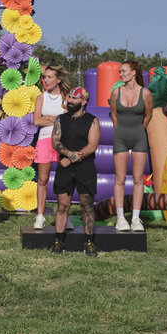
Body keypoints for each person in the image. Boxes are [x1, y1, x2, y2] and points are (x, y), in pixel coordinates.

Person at [50, 87, 101, 257]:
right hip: (65, 167)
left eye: (74, 98)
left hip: (85, 167)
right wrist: (67, 154)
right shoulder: (60, 119)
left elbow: (92, 146)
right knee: (63, 205)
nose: (70, 101)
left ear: (84, 101)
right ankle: (58, 241)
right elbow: (55, 141)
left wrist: (71, 158)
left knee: (86, 205)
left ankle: (89, 242)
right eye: (69, 97)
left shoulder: (92, 121)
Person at [110, 60, 153, 232]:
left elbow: (148, 116)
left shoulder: (145, 94)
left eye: (124, 71)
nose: (121, 75)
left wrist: (138, 131)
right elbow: (113, 115)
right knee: (119, 179)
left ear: (134, 72)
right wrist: (120, 131)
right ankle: (120, 218)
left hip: (139, 138)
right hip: (120, 137)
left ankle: (135, 219)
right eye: (120, 72)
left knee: (138, 179)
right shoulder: (115, 92)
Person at [32, 65, 71, 230]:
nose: (46, 80)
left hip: (63, 141)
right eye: (45, 77)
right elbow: (36, 121)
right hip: (44, 140)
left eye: (49, 77)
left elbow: (69, 120)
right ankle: (40, 216)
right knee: (42, 179)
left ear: (58, 79)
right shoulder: (41, 97)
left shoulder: (66, 97)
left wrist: (49, 118)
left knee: (64, 180)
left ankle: (63, 216)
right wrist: (57, 119)